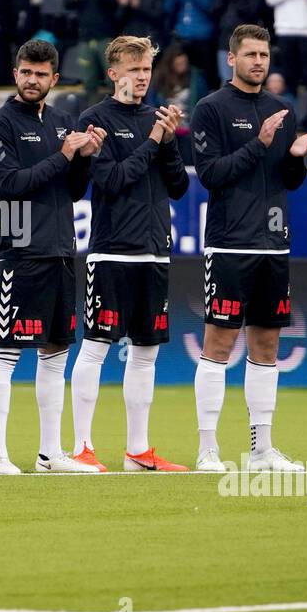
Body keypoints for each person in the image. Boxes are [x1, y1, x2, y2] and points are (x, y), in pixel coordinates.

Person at [191, 24, 307, 473]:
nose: (259, 62)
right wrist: (260, 143)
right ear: (232, 59)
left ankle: (261, 450)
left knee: (266, 345)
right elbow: (210, 174)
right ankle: (208, 448)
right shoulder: (210, 109)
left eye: (264, 55)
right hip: (229, 243)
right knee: (219, 344)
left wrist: (295, 156)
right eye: (250, 54)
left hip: (274, 244)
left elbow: (288, 181)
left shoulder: (280, 109)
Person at [0, 39, 104, 474]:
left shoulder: (62, 122)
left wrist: (86, 158)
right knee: (7, 352)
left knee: (55, 353)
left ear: (54, 78)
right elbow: (12, 185)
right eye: (25, 72)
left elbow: (72, 190)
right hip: (20, 249)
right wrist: (65, 153)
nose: (32, 80)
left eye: (41, 74)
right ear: (15, 74)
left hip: (61, 250)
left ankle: (50, 453)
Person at [70, 35, 191, 471]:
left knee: (146, 353)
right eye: (134, 70)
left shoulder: (156, 118)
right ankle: (82, 447)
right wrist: (154, 141)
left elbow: (179, 186)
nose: (142, 78)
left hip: (155, 252)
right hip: (112, 252)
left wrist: (170, 140)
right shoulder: (94, 119)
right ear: (113, 74)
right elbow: (112, 180)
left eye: (146, 70)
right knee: (97, 346)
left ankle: (137, 451)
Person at [74, 0, 123, 105]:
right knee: (88, 81)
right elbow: (70, 2)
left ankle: (114, 113)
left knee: (112, 78)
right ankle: (90, 116)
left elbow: (121, 9)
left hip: (107, 36)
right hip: (86, 36)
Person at [167, 0, 219, 101]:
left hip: (204, 37)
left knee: (204, 78)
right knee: (183, 77)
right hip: (182, 35)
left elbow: (212, 8)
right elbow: (168, 9)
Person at [213, 0, 266, 85]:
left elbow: (253, 11)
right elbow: (214, 11)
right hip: (225, 40)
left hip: (246, 40)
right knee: (226, 81)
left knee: (245, 81)